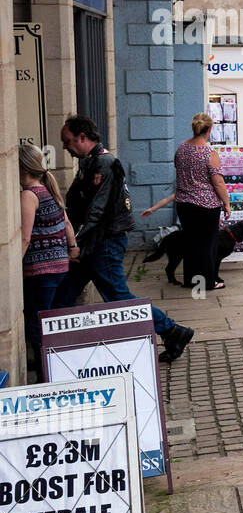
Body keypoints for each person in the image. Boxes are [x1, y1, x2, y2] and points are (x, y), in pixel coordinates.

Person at [53, 115, 195, 363]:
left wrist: (74, 242)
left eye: (67, 141)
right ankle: (58, 351)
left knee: (119, 298)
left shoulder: (104, 163)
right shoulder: (92, 162)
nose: (65, 146)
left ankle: (172, 330)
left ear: (83, 138)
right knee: (64, 294)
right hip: (94, 242)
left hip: (103, 243)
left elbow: (97, 210)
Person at [19, 143, 78, 378]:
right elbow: (66, 223)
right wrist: (73, 248)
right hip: (60, 266)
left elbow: (24, 237)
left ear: (21, 170)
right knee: (50, 318)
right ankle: (54, 367)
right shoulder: (47, 189)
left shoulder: (29, 195)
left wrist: (12, 271)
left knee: (36, 322)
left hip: (40, 270)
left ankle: (46, 375)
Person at [166, 113, 231, 291]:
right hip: (206, 206)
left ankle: (192, 281)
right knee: (207, 245)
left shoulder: (181, 148)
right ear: (209, 129)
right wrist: (226, 202)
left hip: (184, 204)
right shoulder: (210, 154)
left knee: (191, 242)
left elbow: (177, 166)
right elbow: (218, 182)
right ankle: (207, 282)